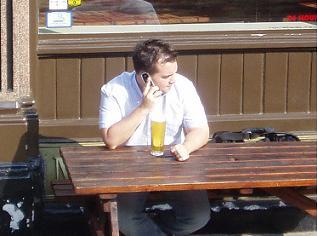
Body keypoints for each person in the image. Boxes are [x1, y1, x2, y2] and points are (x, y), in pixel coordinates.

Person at [99, 39, 210, 236]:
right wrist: (144, 107)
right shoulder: (115, 89)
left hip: (172, 162)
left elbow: (201, 130)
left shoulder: (182, 85)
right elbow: (111, 140)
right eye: (167, 76)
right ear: (144, 75)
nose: (173, 79)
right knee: (125, 219)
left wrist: (186, 147)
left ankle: (157, 230)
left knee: (198, 216)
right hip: (129, 165)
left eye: (174, 72)